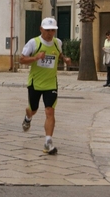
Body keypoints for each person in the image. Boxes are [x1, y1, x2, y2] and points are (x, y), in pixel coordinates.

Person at [19, 17, 71, 155]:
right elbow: (21, 59)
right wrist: (35, 58)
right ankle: (28, 117)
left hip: (51, 83)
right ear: (41, 29)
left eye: (52, 30)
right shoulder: (34, 43)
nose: (50, 33)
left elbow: (58, 54)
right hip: (35, 83)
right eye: (47, 30)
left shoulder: (57, 42)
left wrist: (64, 59)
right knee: (33, 109)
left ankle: (48, 142)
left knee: (50, 111)